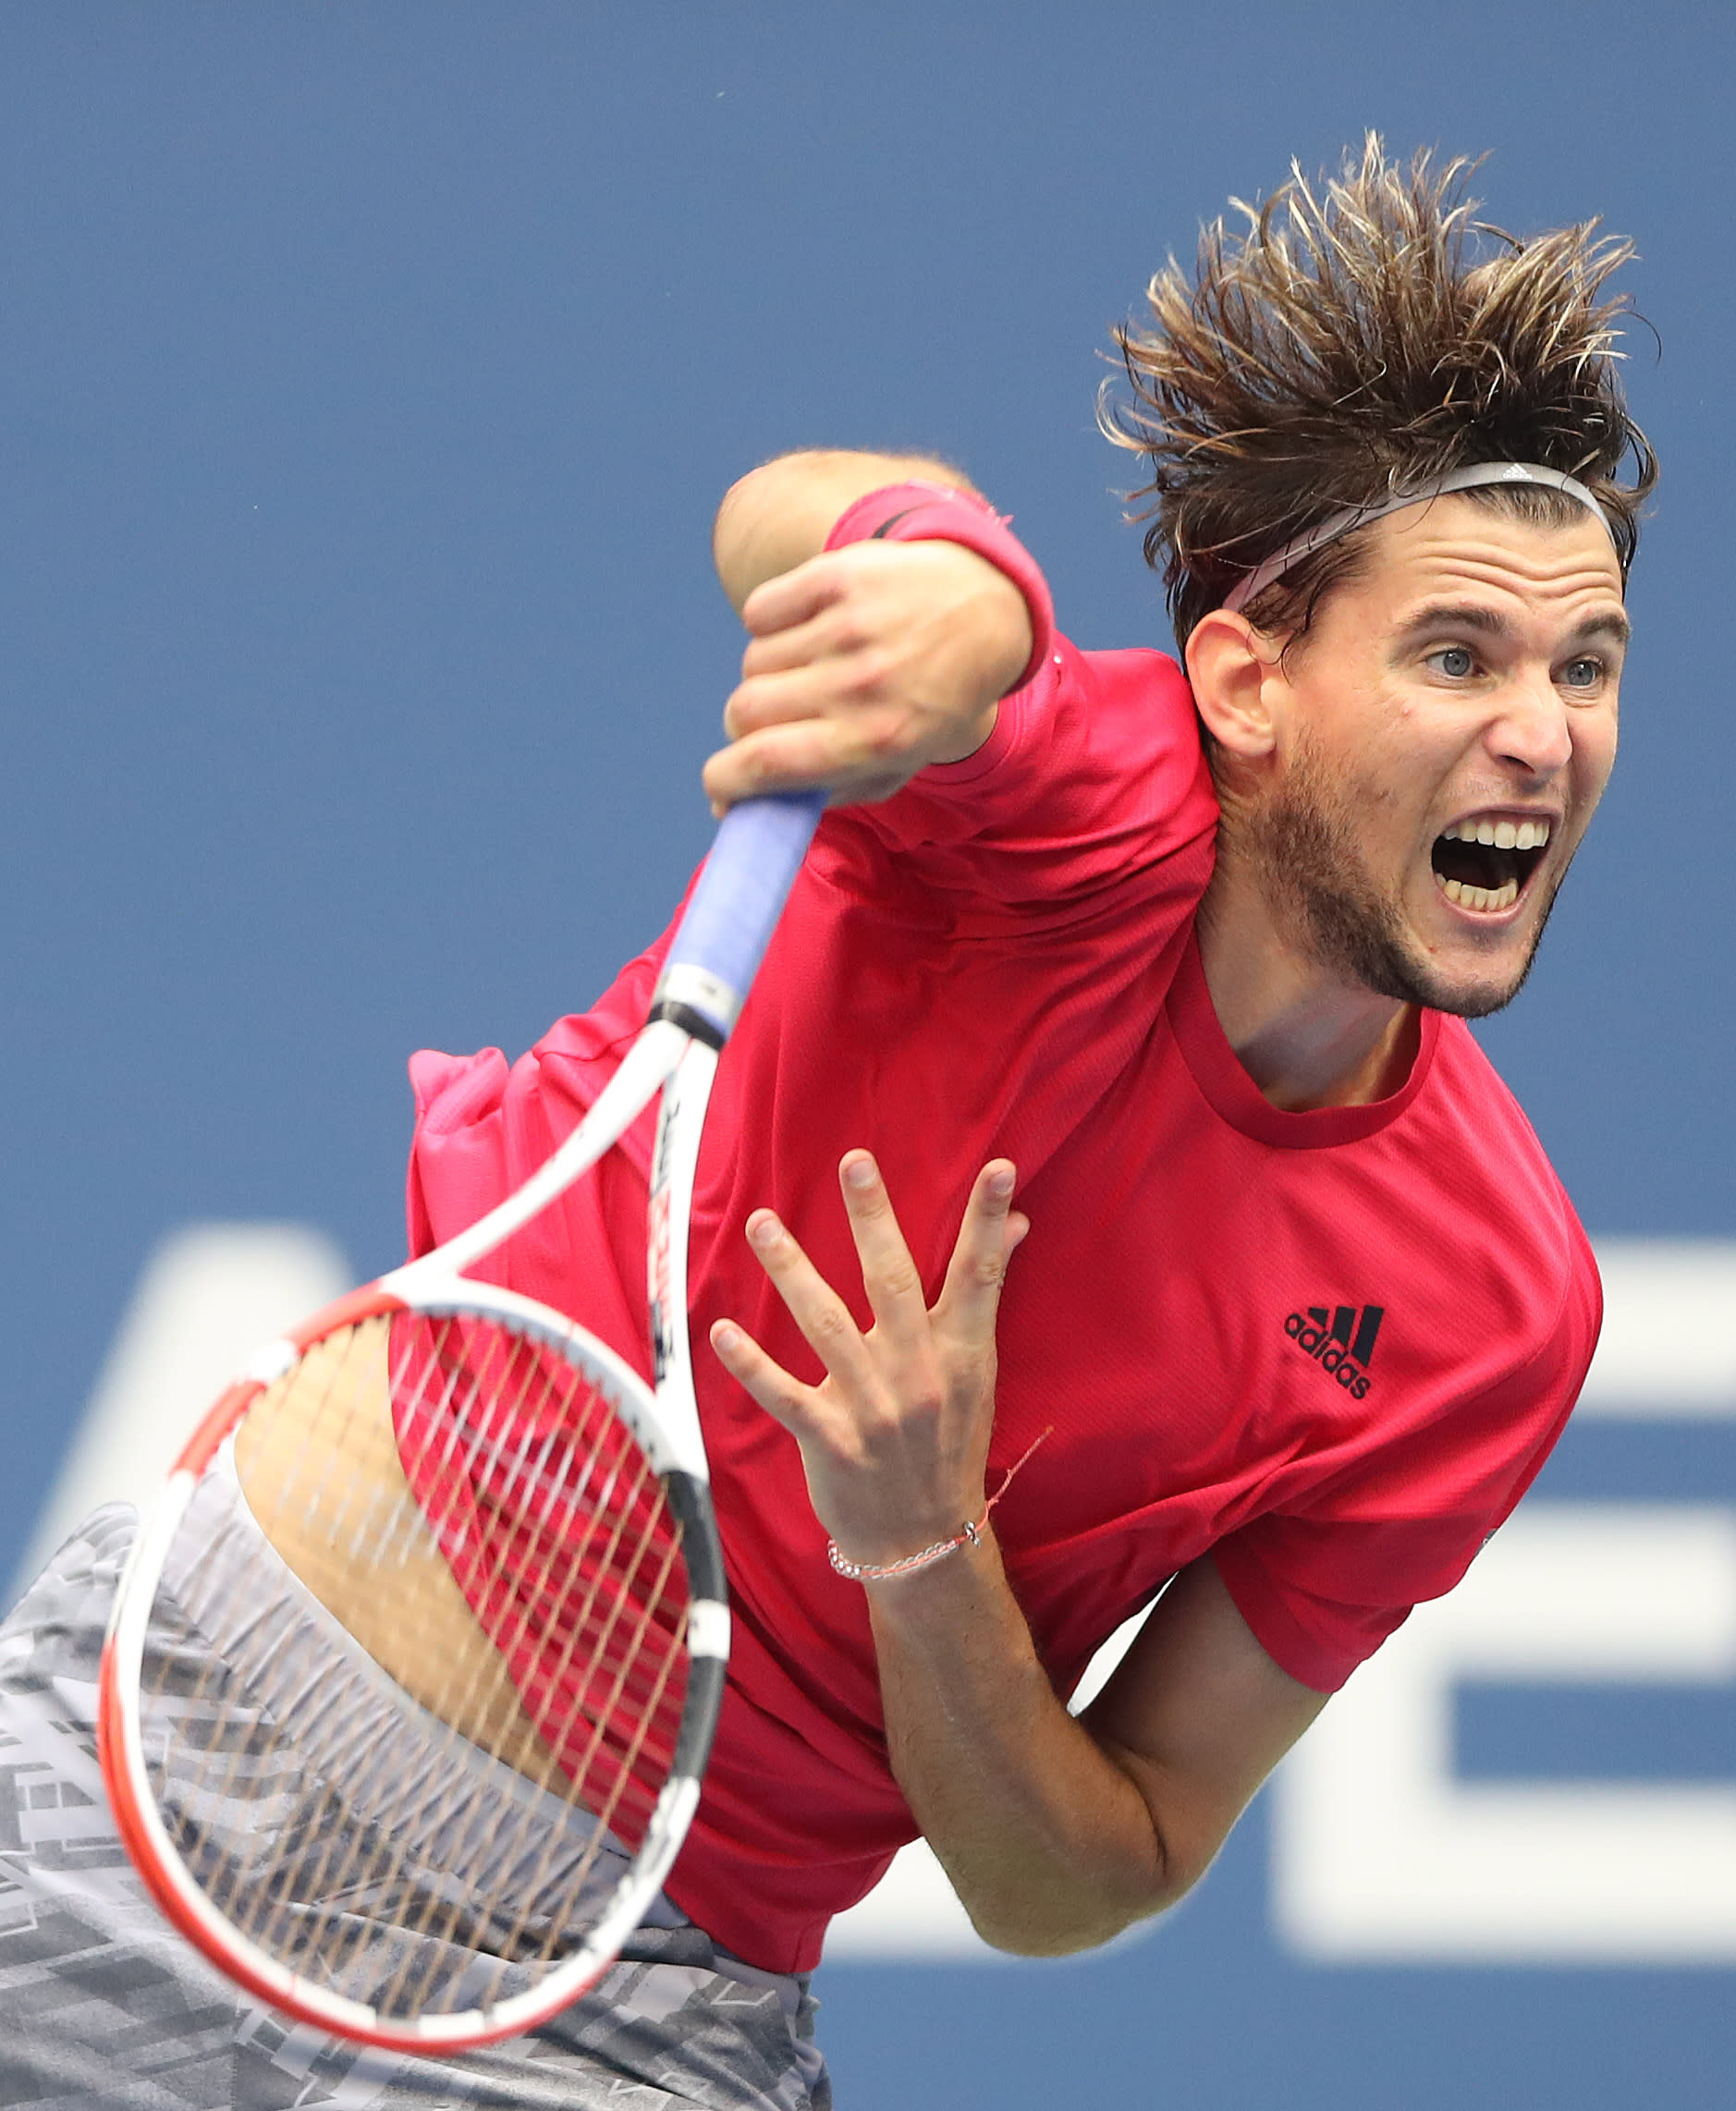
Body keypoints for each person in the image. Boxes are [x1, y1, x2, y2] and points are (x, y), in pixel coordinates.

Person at [0, 139, 1650, 2109]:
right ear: (1246, 681)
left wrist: (924, 1546)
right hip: (179, 1740)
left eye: (1587, 664)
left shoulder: (1490, 1311)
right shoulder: (1075, 806)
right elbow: (796, 517)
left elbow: (1085, 1872)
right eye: (1458, 654)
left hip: (637, 2005)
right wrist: (944, 583)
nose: (1541, 730)